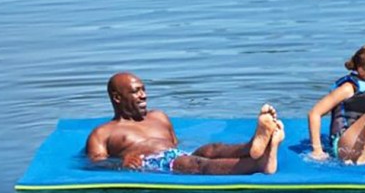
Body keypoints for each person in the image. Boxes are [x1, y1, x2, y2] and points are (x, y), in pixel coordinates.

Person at [85, 72, 284, 175]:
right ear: (118, 98)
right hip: (152, 162)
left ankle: (254, 146)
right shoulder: (103, 133)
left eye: (143, 90)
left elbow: (175, 145)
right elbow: (94, 163)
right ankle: (258, 163)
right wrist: (121, 162)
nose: (143, 96)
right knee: (196, 164)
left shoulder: (158, 117)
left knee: (210, 149)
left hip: (176, 156)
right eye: (136, 91)